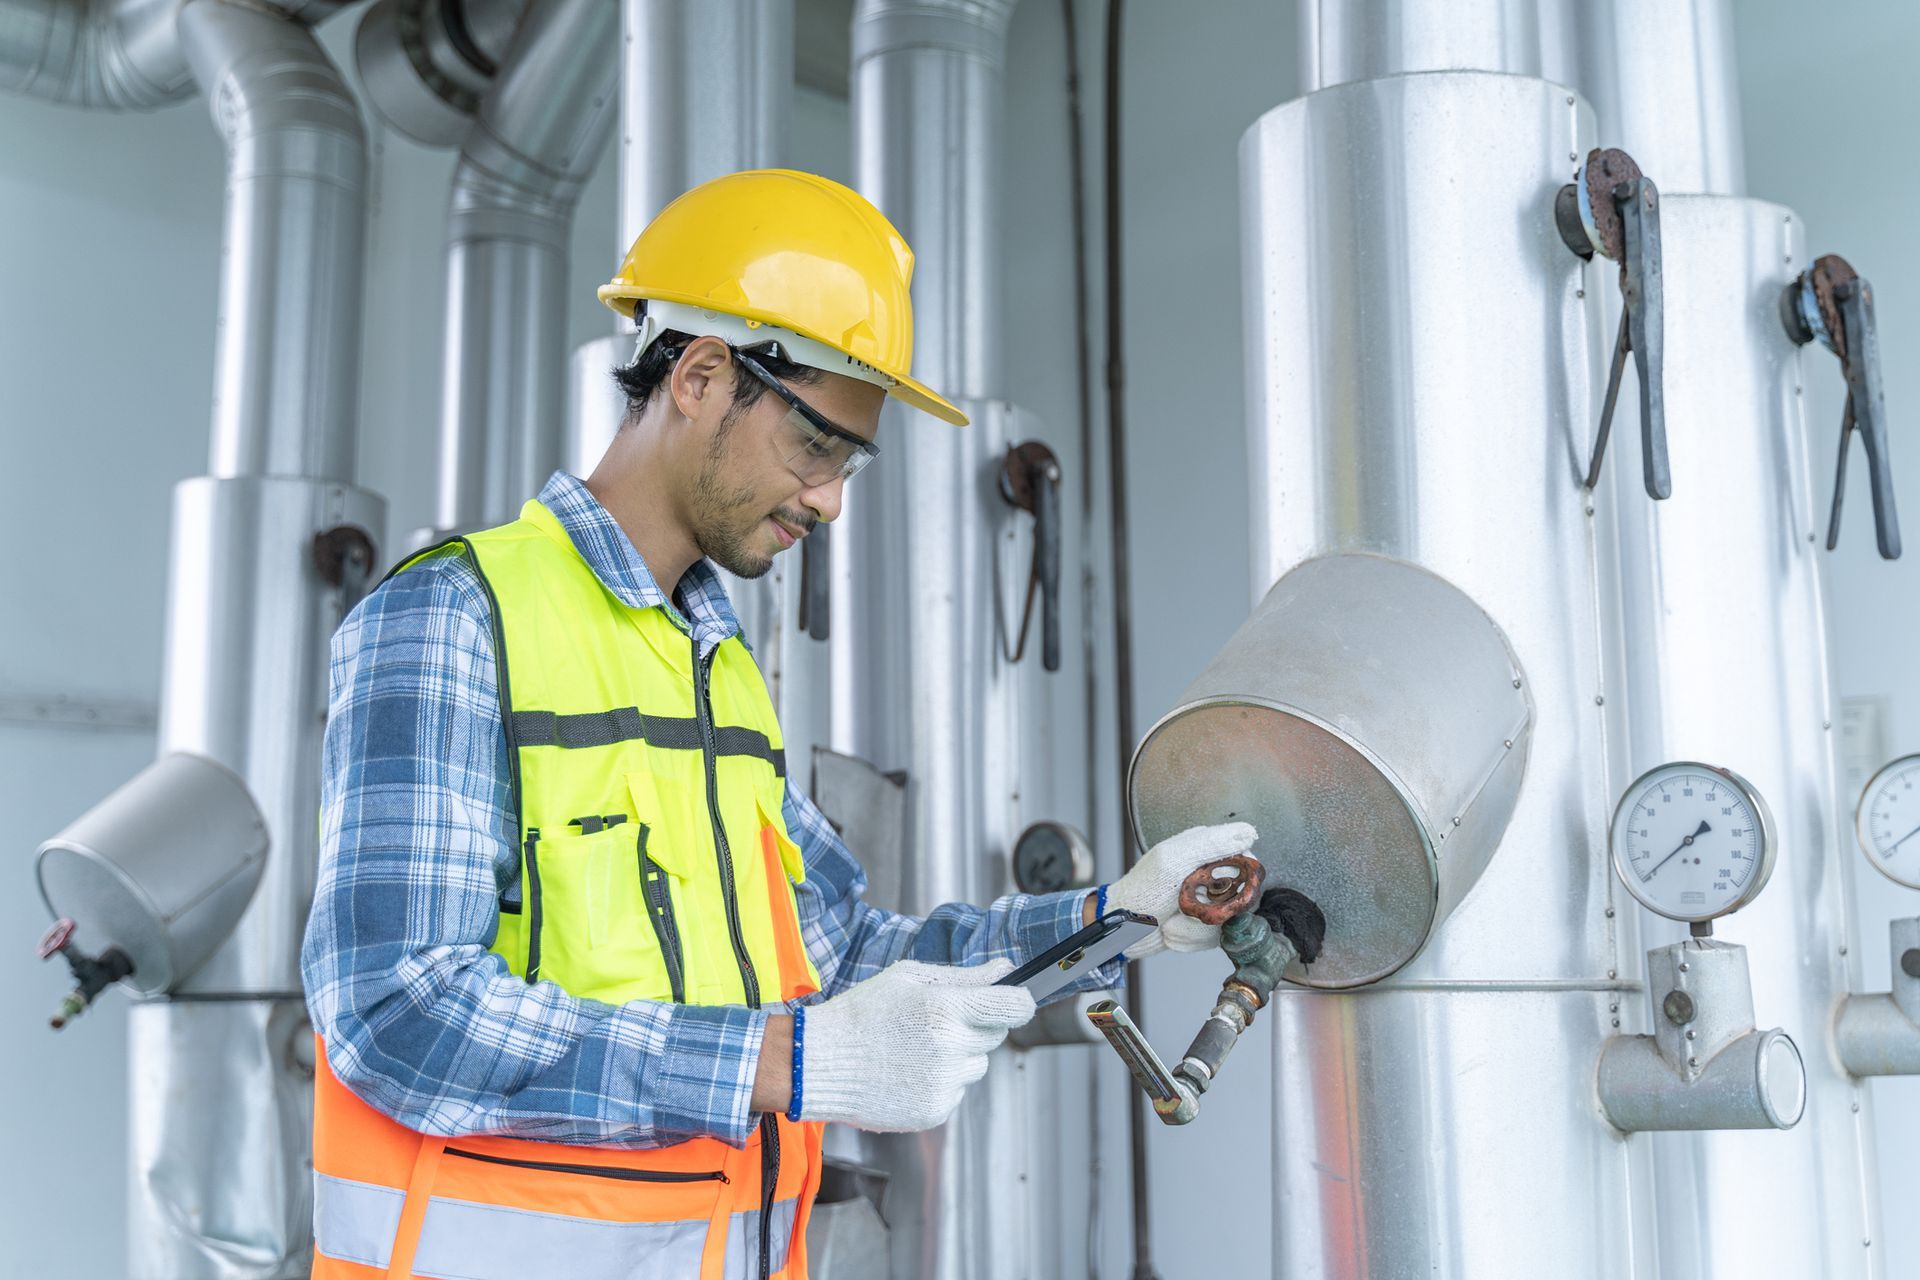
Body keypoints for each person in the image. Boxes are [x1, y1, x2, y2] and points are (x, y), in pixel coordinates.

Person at [300, 168, 1256, 1280]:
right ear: (702, 374)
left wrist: (1116, 915)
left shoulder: (718, 669)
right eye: (815, 445)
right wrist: (778, 1059)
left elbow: (844, 956)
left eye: (850, 460)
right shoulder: (455, 615)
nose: (831, 499)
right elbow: (393, 1005)